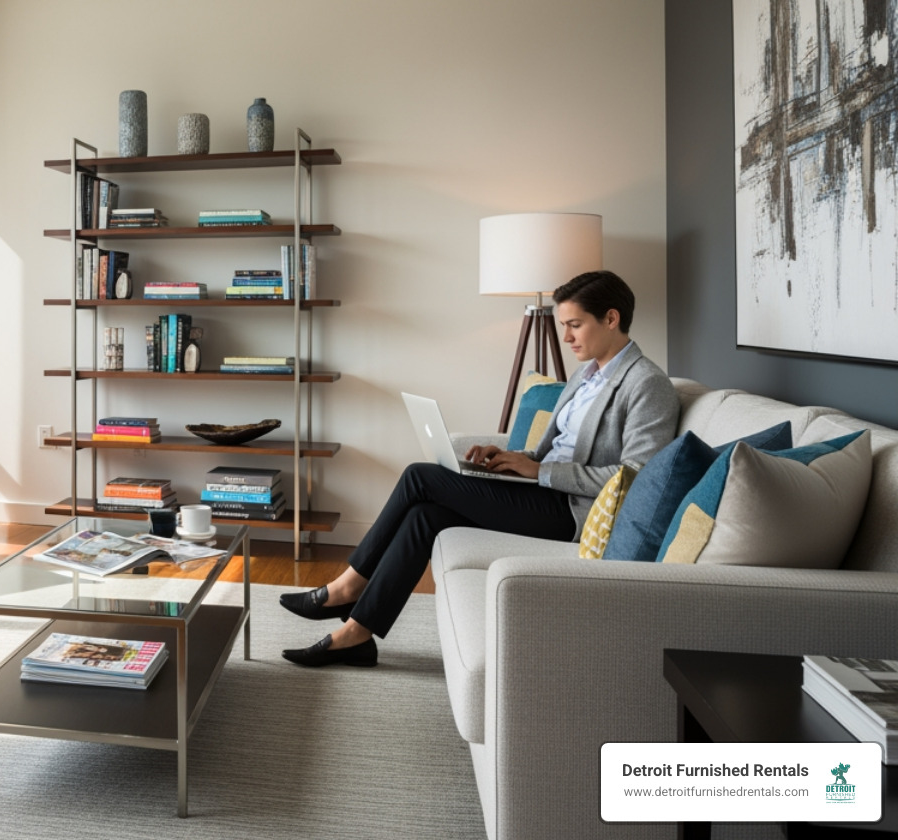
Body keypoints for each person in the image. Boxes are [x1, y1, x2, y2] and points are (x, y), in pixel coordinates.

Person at [278, 270, 678, 668]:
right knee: (426, 514)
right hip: (543, 490)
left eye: (575, 325)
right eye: (563, 326)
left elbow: (636, 478)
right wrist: (510, 460)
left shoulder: (646, 384)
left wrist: (537, 472)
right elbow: (556, 447)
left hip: (570, 511)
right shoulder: (585, 374)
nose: (567, 337)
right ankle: (357, 635)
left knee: (420, 476)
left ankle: (347, 587)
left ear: (611, 319)